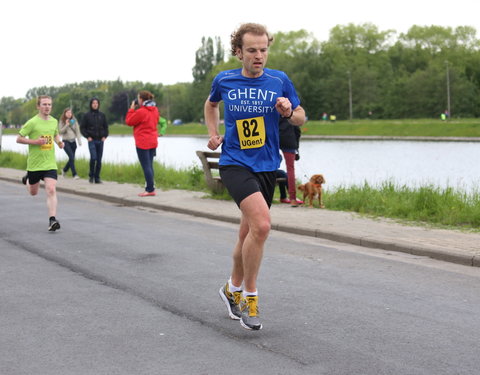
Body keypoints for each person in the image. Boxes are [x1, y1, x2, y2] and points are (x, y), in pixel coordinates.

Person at [205, 23, 306, 330]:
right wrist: (213, 133)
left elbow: (302, 117)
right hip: (235, 163)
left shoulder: (279, 80)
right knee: (261, 226)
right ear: (239, 52)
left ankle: (229, 289)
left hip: (266, 166)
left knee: (247, 234)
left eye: (263, 49)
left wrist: (288, 111)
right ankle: (250, 296)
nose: (259, 55)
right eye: (252, 50)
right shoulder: (225, 80)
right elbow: (211, 105)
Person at [16, 95, 64, 231]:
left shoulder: (54, 121)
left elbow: (54, 134)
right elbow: (19, 139)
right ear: (38, 106)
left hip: (49, 163)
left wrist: (59, 142)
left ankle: (52, 220)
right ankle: (27, 180)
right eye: (44, 104)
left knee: (51, 189)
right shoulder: (32, 122)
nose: (47, 107)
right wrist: (35, 142)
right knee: (33, 192)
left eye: (49, 104)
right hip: (35, 164)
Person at [125, 90, 160, 197]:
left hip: (142, 142)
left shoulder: (141, 112)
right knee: (149, 165)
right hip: (153, 141)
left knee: (146, 166)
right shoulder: (155, 110)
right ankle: (150, 187)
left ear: (141, 99)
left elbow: (129, 122)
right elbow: (156, 121)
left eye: (138, 98)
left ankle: (149, 190)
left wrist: (131, 109)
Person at [80, 97, 108, 183]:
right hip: (91, 140)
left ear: (98, 104)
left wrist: (105, 136)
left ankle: (97, 178)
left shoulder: (102, 115)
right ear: (91, 104)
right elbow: (82, 128)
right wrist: (87, 136)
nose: (95, 104)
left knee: (99, 160)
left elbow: (106, 127)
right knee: (93, 158)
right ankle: (91, 176)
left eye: (96, 103)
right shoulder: (87, 115)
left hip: (101, 140)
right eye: (93, 103)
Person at [279, 117, 303, 206]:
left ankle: (264, 196)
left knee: (269, 165)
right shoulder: (291, 110)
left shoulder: (271, 108)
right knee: (290, 170)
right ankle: (293, 199)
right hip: (289, 139)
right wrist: (296, 149)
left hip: (273, 139)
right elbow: (297, 131)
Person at [58, 107, 82, 179]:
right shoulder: (62, 121)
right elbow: (60, 132)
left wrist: (79, 141)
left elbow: (77, 131)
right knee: (71, 157)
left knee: (72, 158)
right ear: (65, 113)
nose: (69, 114)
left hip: (73, 141)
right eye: (67, 113)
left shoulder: (74, 121)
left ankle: (64, 170)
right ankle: (74, 174)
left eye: (70, 113)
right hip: (66, 141)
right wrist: (66, 125)